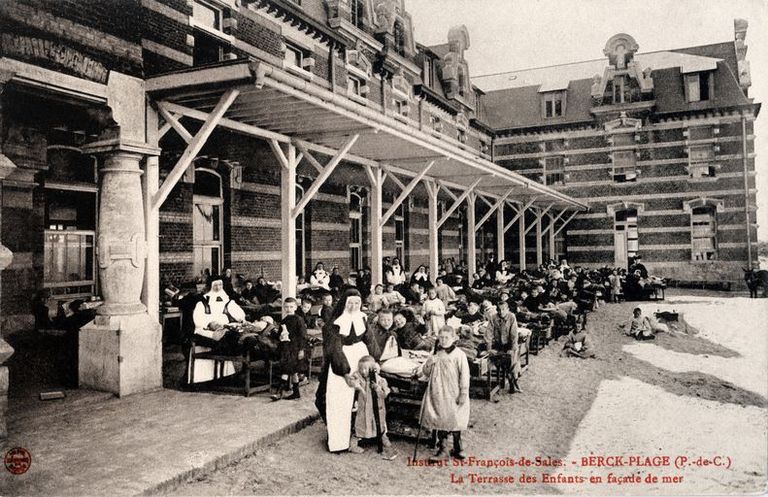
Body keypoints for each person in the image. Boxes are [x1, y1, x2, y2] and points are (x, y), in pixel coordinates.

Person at [315, 289, 380, 453]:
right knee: (340, 400)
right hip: (341, 361)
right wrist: (344, 372)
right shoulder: (334, 323)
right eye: (350, 303)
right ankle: (339, 441)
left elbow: (370, 340)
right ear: (344, 303)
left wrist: (375, 360)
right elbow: (334, 349)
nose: (353, 306)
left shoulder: (363, 318)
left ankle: (358, 437)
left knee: (362, 398)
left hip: (361, 357)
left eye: (357, 303)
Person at [420, 325, 470, 461]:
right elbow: (426, 372)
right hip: (438, 390)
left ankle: (457, 446)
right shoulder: (435, 353)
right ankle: (443, 449)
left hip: (453, 390)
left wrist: (463, 392)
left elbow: (465, 375)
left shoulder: (459, 355)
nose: (443, 340)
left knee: (455, 417)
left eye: (446, 337)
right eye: (441, 337)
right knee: (441, 417)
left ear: (453, 338)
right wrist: (429, 363)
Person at [189, 274, 247, 383]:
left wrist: (241, 320)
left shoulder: (227, 301)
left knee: (235, 335)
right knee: (229, 338)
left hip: (223, 330)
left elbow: (239, 313)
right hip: (205, 332)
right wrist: (210, 324)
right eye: (215, 285)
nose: (218, 287)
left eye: (220, 285)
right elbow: (199, 322)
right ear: (210, 286)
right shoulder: (202, 302)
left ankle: (225, 376)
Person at [349, 356, 392, 454]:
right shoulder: (358, 376)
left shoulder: (379, 380)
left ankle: (383, 437)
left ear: (373, 368)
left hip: (376, 408)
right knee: (360, 426)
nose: (363, 371)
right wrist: (359, 387)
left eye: (366, 369)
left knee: (379, 424)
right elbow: (352, 381)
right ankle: (353, 445)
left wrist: (377, 388)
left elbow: (384, 394)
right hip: (364, 409)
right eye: (361, 368)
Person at [271, 297, 308, 401]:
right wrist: (279, 335)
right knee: (293, 370)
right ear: (284, 307)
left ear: (296, 307)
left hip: (295, 348)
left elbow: (303, 335)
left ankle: (279, 392)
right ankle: (296, 392)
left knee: (286, 369)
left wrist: (301, 349)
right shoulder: (284, 320)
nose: (289, 309)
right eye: (286, 307)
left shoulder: (299, 319)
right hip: (286, 347)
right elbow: (279, 334)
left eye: (291, 307)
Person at [487, 300, 521, 393]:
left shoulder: (512, 317)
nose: (501, 312)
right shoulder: (493, 317)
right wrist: (489, 347)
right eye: (499, 310)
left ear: (508, 309)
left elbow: (514, 334)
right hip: (498, 344)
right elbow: (489, 333)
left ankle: (512, 381)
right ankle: (508, 379)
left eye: (503, 309)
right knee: (499, 358)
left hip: (509, 344)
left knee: (511, 360)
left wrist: (512, 348)